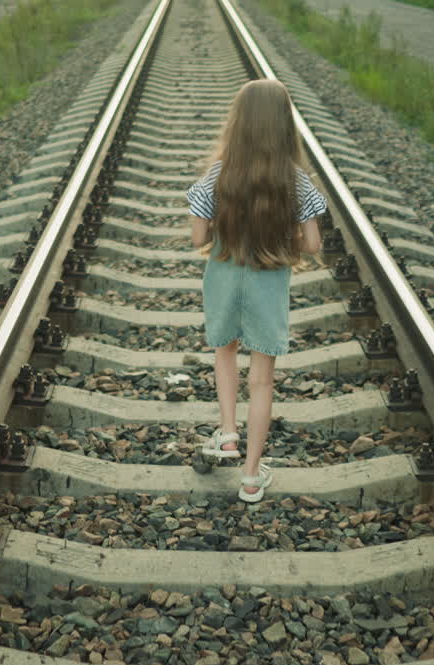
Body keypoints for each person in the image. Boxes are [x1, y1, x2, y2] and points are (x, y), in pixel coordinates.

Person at [184, 78, 327, 503]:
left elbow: (197, 238)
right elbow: (315, 244)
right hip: (269, 283)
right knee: (262, 380)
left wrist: (227, 228)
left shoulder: (219, 174)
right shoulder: (295, 180)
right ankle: (250, 476)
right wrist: (280, 240)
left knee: (224, 349)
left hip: (224, 275)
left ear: (239, 124)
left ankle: (228, 433)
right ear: (284, 125)